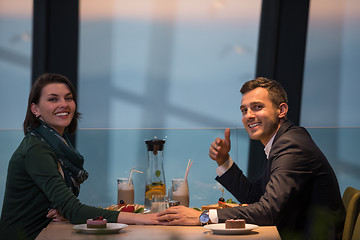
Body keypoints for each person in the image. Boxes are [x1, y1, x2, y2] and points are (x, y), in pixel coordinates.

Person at [157, 77, 345, 239]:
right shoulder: (281, 141)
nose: (249, 116)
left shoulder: (291, 145)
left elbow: (268, 211)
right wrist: (224, 162)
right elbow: (256, 197)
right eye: (244, 110)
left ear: (281, 110)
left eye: (257, 107)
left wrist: (203, 217)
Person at [0, 73, 159, 240]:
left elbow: (67, 208)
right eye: (53, 99)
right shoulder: (36, 150)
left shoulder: (58, 144)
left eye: (68, 98)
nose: (64, 104)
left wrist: (65, 211)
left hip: (46, 231)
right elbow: (74, 210)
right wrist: (142, 218)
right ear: (35, 109)